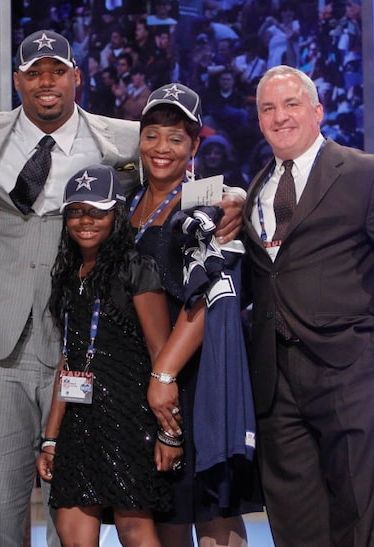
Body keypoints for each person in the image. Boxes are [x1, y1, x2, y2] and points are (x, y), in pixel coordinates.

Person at [0, 29, 244, 547]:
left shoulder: (123, 141)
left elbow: (191, 172)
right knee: (27, 507)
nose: (47, 83)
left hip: (137, 360)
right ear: (17, 80)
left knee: (137, 506)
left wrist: (234, 196)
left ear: (77, 76)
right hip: (25, 346)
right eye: (34, 73)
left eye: (58, 71)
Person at [243, 65, 374, 546]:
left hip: (350, 372)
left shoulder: (364, 174)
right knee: (294, 523)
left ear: (318, 111)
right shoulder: (257, 186)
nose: (279, 116)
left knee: (361, 520)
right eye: (268, 108)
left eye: (291, 104)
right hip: (276, 382)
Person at [130, 83, 262, 547]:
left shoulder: (208, 203)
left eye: (176, 138)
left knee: (212, 510)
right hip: (142, 377)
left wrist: (164, 375)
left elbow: (211, 294)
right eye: (152, 135)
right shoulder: (126, 198)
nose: (162, 148)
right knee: (167, 512)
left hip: (195, 377)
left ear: (195, 146)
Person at [37, 164, 176, 546]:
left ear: (116, 215)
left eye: (98, 211)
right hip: (79, 420)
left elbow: (161, 354)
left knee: (134, 527)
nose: (86, 220)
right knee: (70, 527)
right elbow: (69, 358)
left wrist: (169, 433)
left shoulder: (136, 267)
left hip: (128, 419)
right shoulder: (68, 273)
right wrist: (50, 438)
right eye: (77, 211)